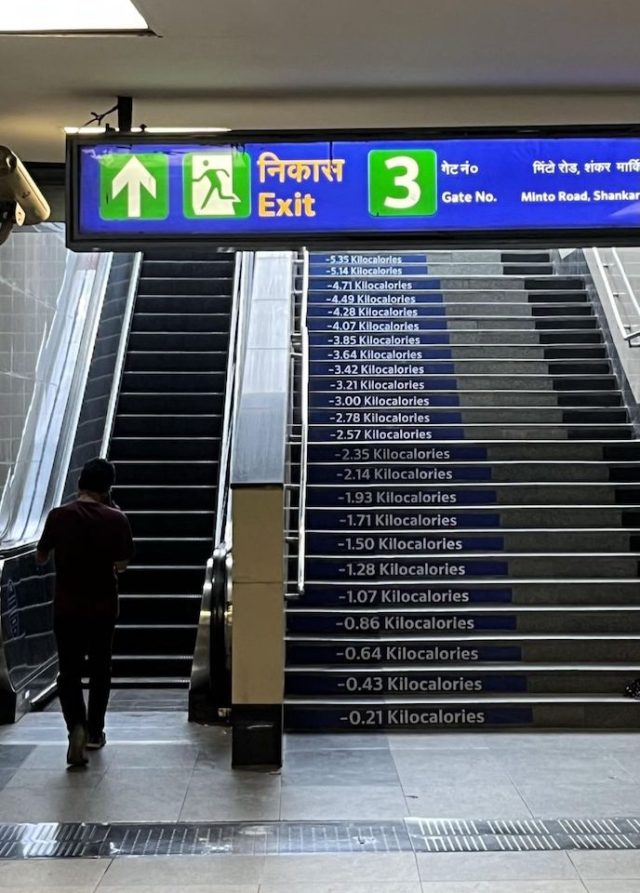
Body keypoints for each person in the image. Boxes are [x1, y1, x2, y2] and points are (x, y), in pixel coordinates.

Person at [36, 458, 134, 768]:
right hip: (103, 608)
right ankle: (95, 731)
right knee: (101, 669)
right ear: (107, 488)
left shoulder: (59, 516)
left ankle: (75, 725)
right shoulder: (116, 519)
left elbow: (40, 557)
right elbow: (122, 564)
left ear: (79, 483)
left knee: (69, 673)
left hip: (67, 608)